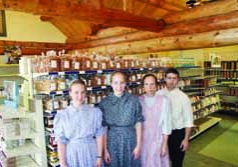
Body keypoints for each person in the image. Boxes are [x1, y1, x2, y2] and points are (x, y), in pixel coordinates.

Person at [53, 79, 104, 167]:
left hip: (91, 152)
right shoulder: (62, 115)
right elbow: (61, 141)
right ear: (70, 93)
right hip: (72, 154)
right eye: (76, 92)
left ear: (86, 93)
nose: (80, 96)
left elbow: (100, 135)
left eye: (82, 92)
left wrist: (99, 157)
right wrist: (63, 163)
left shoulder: (95, 112)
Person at [98, 71, 144, 167]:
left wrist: (139, 145)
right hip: (112, 141)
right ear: (111, 84)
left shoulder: (134, 101)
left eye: (122, 82)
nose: (119, 86)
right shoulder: (104, 103)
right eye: (116, 83)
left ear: (126, 83)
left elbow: (138, 123)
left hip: (130, 140)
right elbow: (104, 128)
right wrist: (105, 149)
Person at [157, 68, 194, 167]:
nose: (172, 81)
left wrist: (186, 139)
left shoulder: (183, 97)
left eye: (174, 78)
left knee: (177, 161)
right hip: (161, 134)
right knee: (160, 160)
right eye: (169, 78)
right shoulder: (158, 94)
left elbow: (188, 121)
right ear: (164, 78)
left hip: (177, 134)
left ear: (178, 80)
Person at [139, 73, 171, 167]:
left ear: (156, 85)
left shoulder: (164, 101)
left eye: (152, 84)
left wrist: (164, 144)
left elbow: (166, 124)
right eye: (146, 84)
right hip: (143, 140)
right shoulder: (138, 101)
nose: (150, 87)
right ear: (143, 86)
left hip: (158, 140)